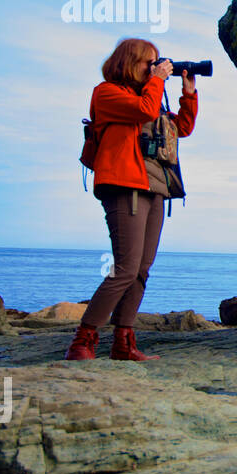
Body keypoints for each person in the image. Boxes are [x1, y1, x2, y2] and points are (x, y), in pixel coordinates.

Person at [65, 38, 198, 361]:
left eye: (156, 63)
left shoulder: (150, 94)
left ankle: (123, 343)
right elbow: (144, 111)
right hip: (124, 185)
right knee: (125, 268)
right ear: (129, 62)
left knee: (141, 270)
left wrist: (188, 93)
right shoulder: (107, 92)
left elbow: (181, 127)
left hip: (156, 189)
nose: (153, 69)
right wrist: (158, 80)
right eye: (147, 63)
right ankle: (83, 341)